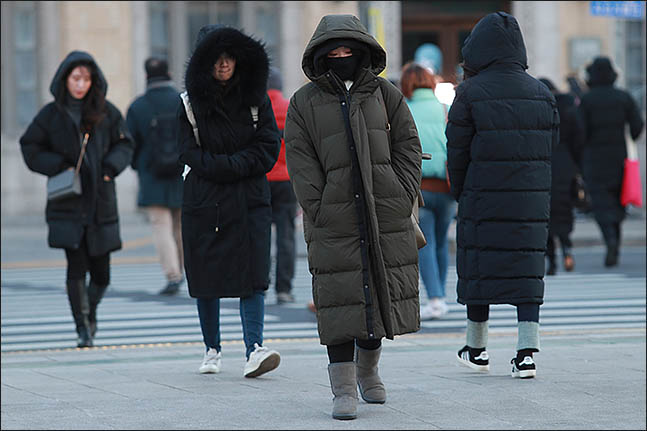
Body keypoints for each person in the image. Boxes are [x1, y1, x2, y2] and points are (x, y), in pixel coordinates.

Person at [285, 14, 422, 420]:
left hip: (384, 211)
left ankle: (369, 372)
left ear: (362, 52)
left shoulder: (384, 93)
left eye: (348, 50)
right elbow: (300, 159)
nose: (342, 57)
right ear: (321, 55)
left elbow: (408, 144)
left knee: (378, 296)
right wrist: (320, 205)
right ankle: (342, 389)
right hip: (334, 219)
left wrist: (400, 191)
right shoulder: (304, 102)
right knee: (339, 301)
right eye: (334, 51)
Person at [445, 12, 559, 379]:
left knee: (480, 269)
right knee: (527, 272)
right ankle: (526, 354)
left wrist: (460, 191)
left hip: (482, 195)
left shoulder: (470, 93)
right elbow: (550, 146)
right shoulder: (542, 92)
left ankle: (476, 349)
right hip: (530, 199)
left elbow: (457, 150)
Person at [178, 24, 281, 378]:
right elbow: (186, 150)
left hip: (249, 197)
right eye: (216, 58)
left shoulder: (256, 98)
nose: (223, 65)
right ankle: (212, 348)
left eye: (229, 57)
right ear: (203, 62)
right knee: (206, 274)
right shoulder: (189, 104)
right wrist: (224, 166)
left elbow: (269, 145)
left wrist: (231, 165)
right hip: (205, 200)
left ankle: (255, 347)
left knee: (253, 273)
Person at [19, 51, 134, 348]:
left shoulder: (106, 112)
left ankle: (90, 309)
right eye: (75, 78)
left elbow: (125, 144)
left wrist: (110, 168)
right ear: (65, 79)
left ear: (93, 80)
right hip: (68, 202)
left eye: (86, 78)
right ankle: (82, 327)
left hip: (100, 202)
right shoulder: (51, 114)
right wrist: (57, 165)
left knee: (102, 274)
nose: (81, 84)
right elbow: (30, 146)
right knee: (76, 268)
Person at [400, 62, 455, 320]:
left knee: (425, 243)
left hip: (418, 186)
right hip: (446, 185)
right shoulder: (445, 109)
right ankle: (440, 296)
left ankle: (434, 299)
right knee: (442, 242)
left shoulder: (404, 110)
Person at [578, 56, 644, 267]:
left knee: (600, 204)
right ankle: (615, 238)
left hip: (594, 159)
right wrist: (631, 136)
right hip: (619, 157)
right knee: (617, 201)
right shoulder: (623, 97)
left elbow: (580, 131)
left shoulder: (587, 100)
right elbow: (637, 124)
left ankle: (610, 240)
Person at [126, 57, 184, 295]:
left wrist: (137, 165)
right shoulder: (181, 100)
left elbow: (129, 144)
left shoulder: (138, 106)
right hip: (182, 172)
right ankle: (184, 269)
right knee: (181, 226)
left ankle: (173, 275)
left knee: (160, 225)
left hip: (151, 175)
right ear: (169, 72)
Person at [538, 77, 585, 275]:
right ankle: (567, 249)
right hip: (566, 163)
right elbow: (579, 140)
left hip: (544, 163)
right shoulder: (569, 108)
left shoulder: (539, 109)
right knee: (564, 211)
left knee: (545, 215)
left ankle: (552, 261)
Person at [265, 67, 298, 304]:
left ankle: (260, 283)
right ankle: (283, 288)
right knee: (286, 235)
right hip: (286, 179)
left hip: (261, 180)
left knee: (260, 233)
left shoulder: (255, 109)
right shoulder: (290, 109)